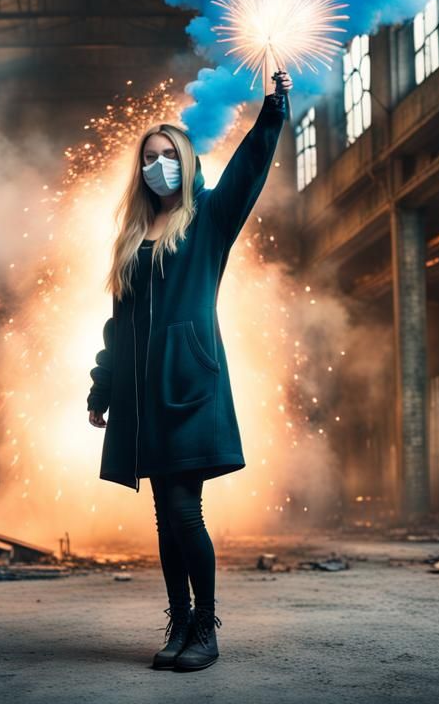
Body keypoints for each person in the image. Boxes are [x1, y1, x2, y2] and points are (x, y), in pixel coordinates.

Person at [86, 67, 292, 672]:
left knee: (182, 510)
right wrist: (102, 387)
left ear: (186, 159)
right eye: (148, 157)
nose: (158, 165)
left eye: (167, 155)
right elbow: (116, 327)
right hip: (141, 394)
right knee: (163, 516)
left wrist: (272, 114)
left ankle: (205, 628)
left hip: (188, 385)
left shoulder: (206, 221)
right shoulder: (129, 238)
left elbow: (248, 172)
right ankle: (178, 625)